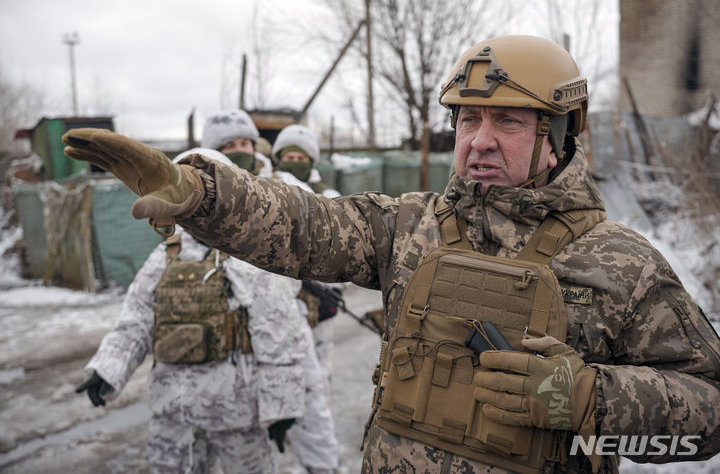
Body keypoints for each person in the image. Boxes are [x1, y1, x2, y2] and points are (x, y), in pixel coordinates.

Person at [64, 35, 720, 474]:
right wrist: (198, 193)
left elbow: (706, 418)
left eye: (509, 122)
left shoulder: (621, 262)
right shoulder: (411, 225)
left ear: (559, 138)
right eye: (468, 120)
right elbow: (300, 224)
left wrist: (588, 397)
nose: (479, 141)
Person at [76, 148, 309, 474]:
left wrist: (282, 407)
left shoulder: (248, 255)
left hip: (234, 411)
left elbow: (280, 332)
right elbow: (138, 318)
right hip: (173, 409)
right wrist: (107, 369)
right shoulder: (168, 252)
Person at [202, 111, 341, 473]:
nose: (240, 151)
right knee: (241, 422)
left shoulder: (281, 186)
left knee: (310, 403)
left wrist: (314, 282)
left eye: (245, 143)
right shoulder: (204, 189)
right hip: (230, 322)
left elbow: (318, 236)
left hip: (286, 317)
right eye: (229, 146)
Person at [271, 124, 343, 473]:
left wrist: (333, 296)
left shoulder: (327, 197)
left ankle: (316, 460)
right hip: (280, 305)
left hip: (319, 307)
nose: (295, 161)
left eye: (302, 157)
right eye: (290, 156)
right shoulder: (269, 188)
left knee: (316, 382)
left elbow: (341, 254)